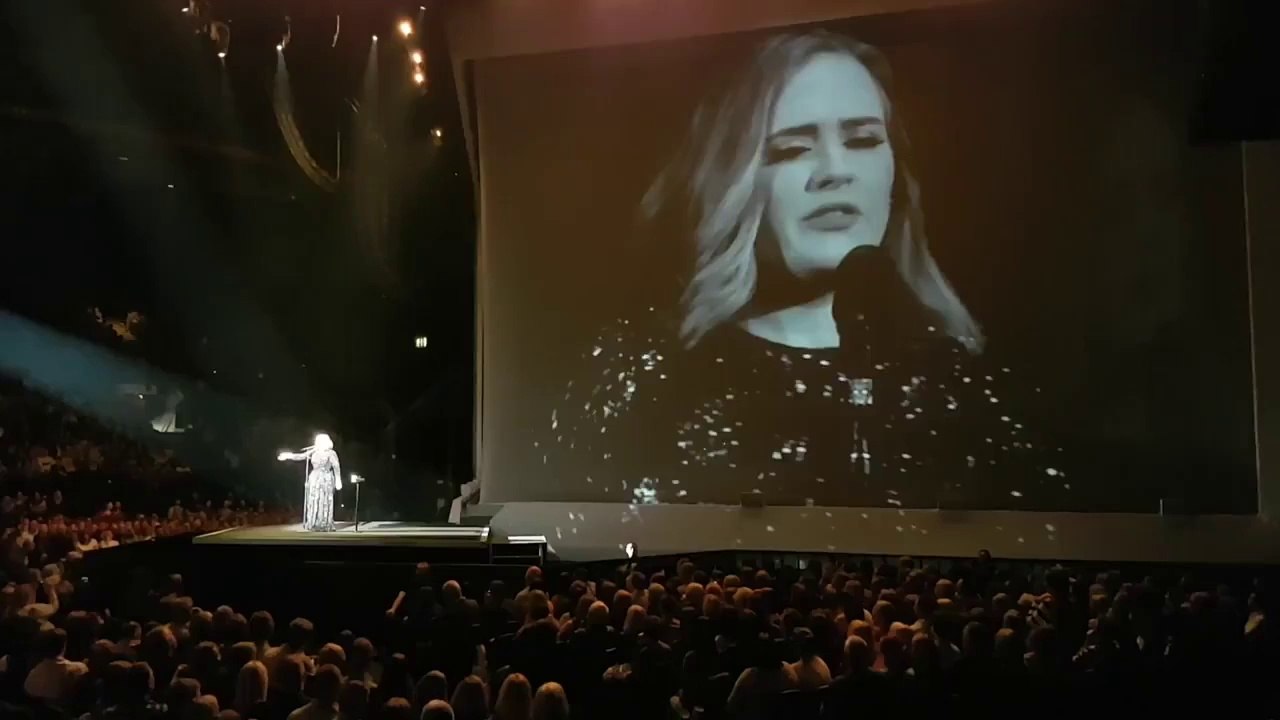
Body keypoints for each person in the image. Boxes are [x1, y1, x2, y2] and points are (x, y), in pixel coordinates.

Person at [547, 30, 1067, 510]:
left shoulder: (968, 383)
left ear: (894, 170)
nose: (835, 172)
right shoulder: (648, 381)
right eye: (793, 149)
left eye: (863, 141)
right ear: (737, 177)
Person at [277, 434, 342, 532]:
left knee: (323, 500)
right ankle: (313, 523)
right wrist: (288, 455)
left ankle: (324, 523)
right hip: (314, 478)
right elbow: (301, 456)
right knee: (314, 500)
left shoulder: (331, 453)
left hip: (325, 478)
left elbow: (336, 466)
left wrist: (338, 480)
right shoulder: (314, 451)